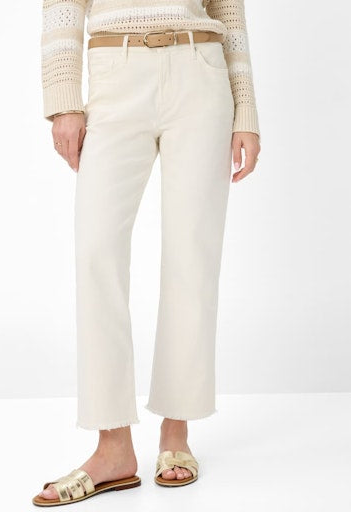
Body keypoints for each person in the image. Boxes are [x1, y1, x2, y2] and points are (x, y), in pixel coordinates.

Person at [33, 0, 261, 506]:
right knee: (96, 252)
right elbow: (62, 6)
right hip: (114, 73)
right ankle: (113, 447)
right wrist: (64, 101)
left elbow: (228, 10)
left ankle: (176, 433)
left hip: (200, 72)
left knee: (192, 257)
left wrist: (246, 108)